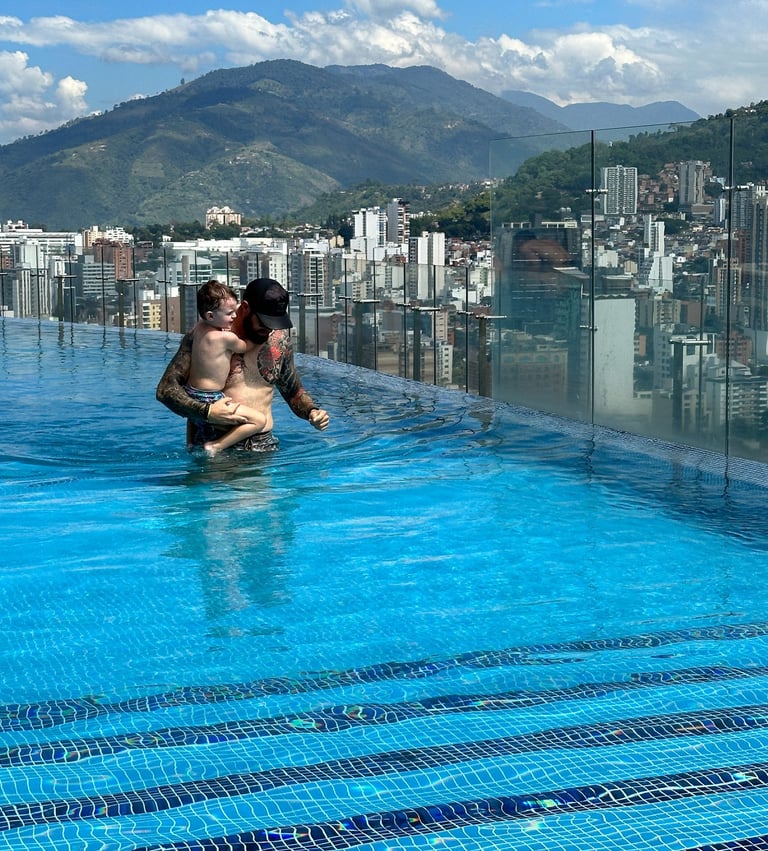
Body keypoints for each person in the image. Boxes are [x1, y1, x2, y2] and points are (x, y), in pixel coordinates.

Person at [157, 277, 330, 452]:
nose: (269, 329)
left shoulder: (279, 340)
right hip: (212, 447)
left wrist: (312, 412)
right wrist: (207, 411)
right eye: (264, 322)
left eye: (274, 323)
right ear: (246, 308)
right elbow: (166, 390)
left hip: (263, 446)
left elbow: (293, 392)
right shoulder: (208, 335)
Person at [185, 280, 268, 455]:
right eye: (230, 313)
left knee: (195, 420)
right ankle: (216, 446)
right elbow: (244, 347)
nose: (235, 316)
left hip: (192, 392)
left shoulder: (198, 329)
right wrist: (258, 338)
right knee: (259, 420)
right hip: (210, 397)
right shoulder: (225, 338)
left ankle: (190, 444)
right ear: (210, 316)